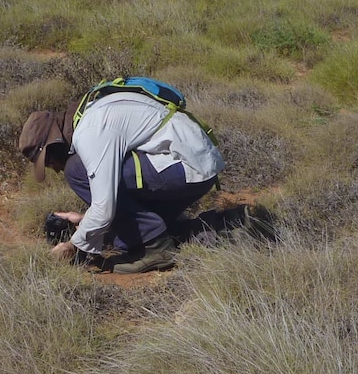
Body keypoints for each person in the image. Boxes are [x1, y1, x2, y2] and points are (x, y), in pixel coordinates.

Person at [18, 87, 225, 274]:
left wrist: (72, 245)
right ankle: (162, 229)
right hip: (194, 163)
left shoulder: (90, 133)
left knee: (76, 170)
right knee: (122, 240)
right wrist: (84, 219)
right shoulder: (88, 117)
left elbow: (105, 204)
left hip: (187, 166)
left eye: (49, 161)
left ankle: (156, 247)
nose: (54, 169)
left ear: (54, 144)